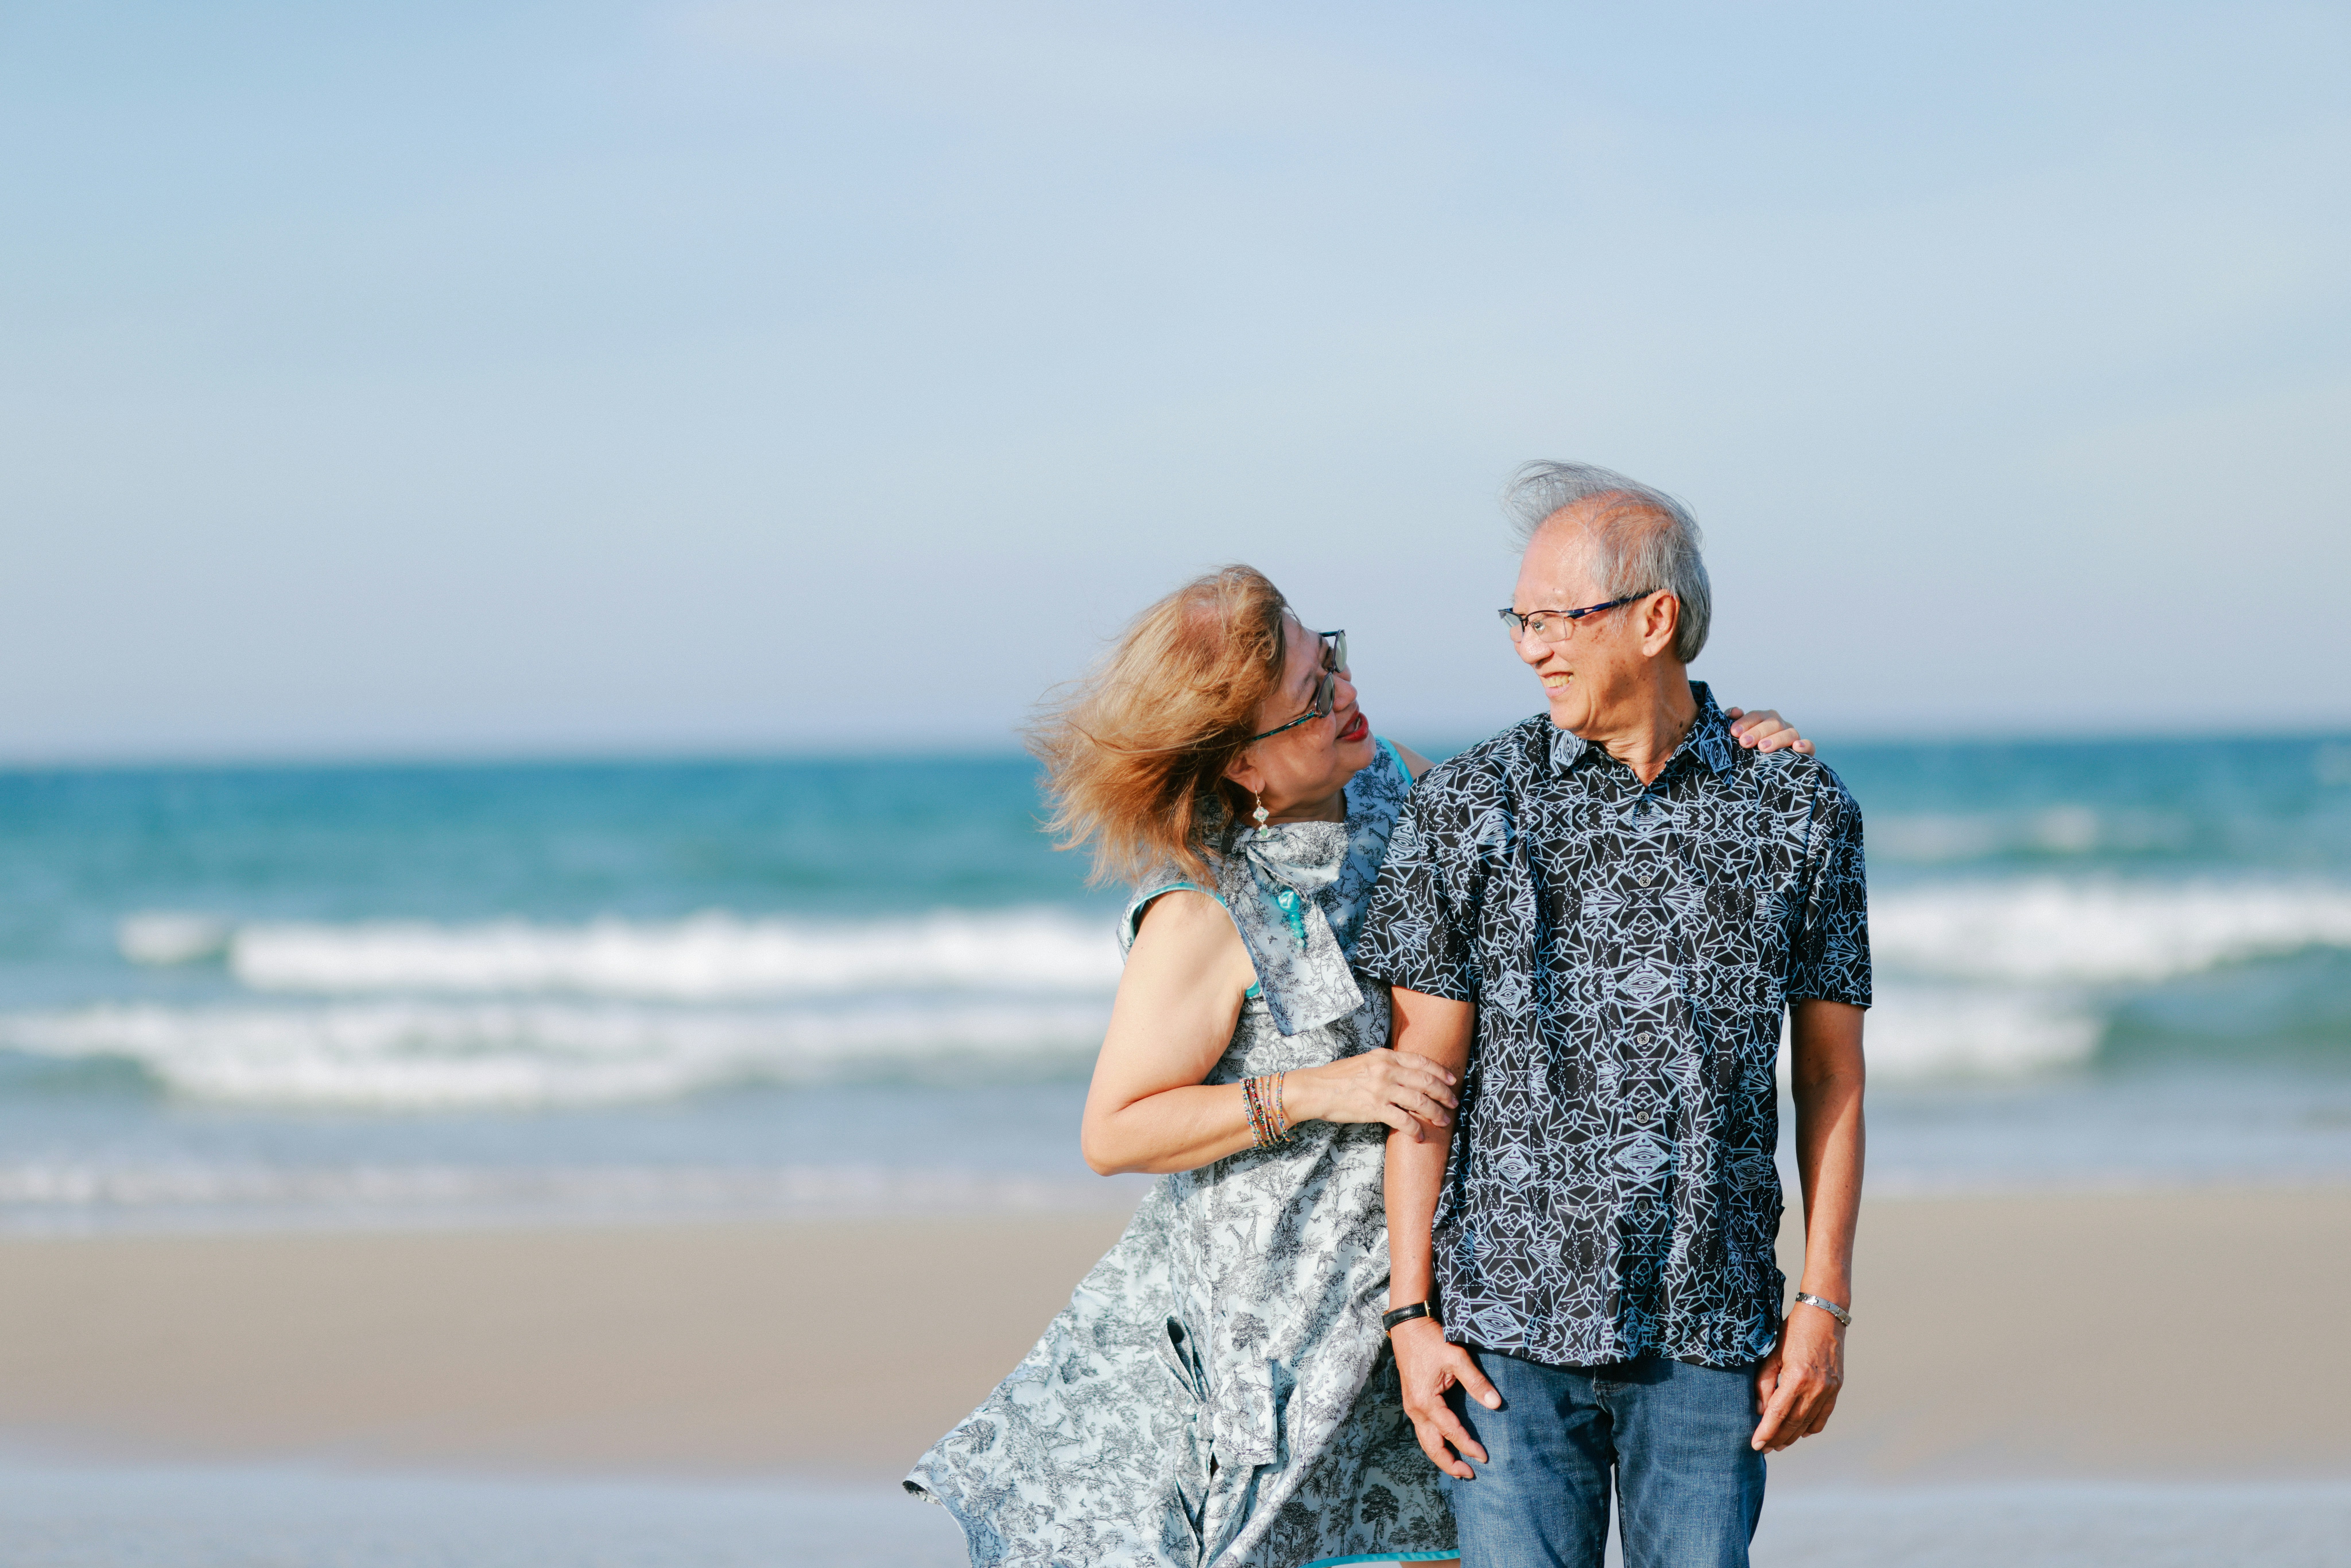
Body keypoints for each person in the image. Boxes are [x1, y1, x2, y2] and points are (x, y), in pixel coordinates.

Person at [905, 562, 1814, 1568]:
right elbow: (1114, 1130)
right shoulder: (1205, 910)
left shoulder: (1394, 783)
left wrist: (1713, 741)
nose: (1346, 694)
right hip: (1286, 1330)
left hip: (1440, 1299)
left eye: (1327, 659)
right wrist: (1316, 1092)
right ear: (1243, 766)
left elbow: (1567, 799)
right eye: (1310, 698)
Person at [1357, 463, 1870, 1568]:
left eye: (1556, 620)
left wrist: (1824, 1302)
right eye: (1519, 620)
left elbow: (1832, 1076)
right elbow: (1421, 1081)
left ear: (1655, 619)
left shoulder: (1801, 809)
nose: (1530, 646)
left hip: (1709, 1325)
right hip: (1503, 1335)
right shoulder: (1467, 806)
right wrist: (1411, 1319)